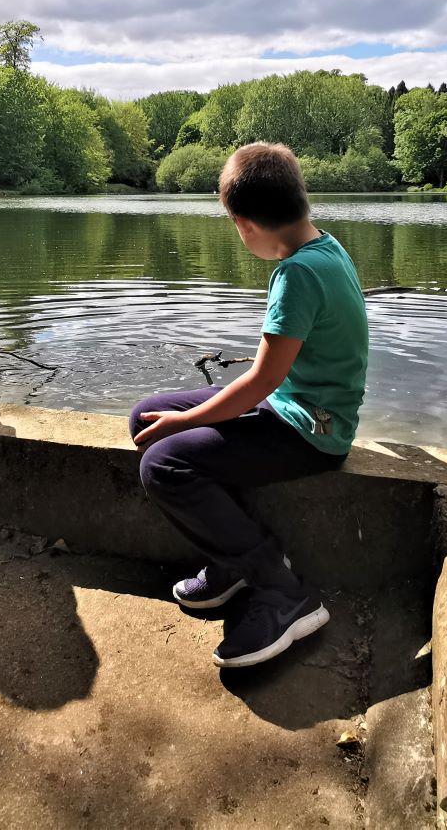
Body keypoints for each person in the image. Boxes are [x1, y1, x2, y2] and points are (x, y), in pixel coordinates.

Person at [129, 142, 369, 668]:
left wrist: (189, 419)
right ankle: (233, 561)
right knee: (146, 416)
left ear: (245, 224)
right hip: (293, 406)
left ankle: (283, 590)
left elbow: (261, 380)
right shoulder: (325, 247)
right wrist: (182, 419)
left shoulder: (297, 274)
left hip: (309, 430)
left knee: (163, 462)